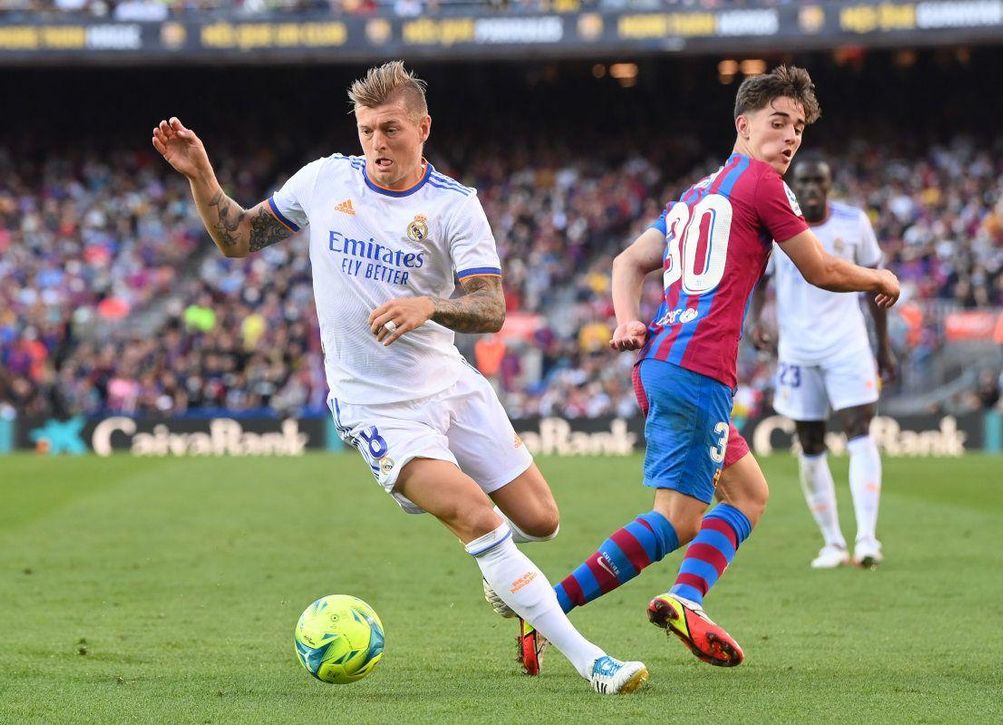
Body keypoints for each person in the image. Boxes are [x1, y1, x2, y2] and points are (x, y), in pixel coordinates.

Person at [152, 60, 647, 695]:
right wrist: (201, 174)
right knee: (480, 519)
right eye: (367, 130)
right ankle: (594, 663)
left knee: (541, 521)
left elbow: (491, 308)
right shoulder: (325, 180)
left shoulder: (454, 206)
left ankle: (508, 581)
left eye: (390, 129)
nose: (377, 144)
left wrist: (429, 306)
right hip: (375, 407)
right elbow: (237, 237)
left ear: (423, 127)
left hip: (450, 384)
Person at [490, 66, 900, 673]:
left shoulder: (695, 194)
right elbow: (820, 269)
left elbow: (627, 261)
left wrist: (627, 319)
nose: (791, 137)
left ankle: (671, 599)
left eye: (799, 127)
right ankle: (560, 609)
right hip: (698, 366)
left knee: (749, 493)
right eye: (778, 122)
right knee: (679, 518)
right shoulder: (763, 184)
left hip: (666, 359)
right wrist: (878, 277)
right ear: (744, 124)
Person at [748, 157, 895, 569]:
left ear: (829, 185)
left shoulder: (854, 222)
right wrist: (757, 321)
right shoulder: (779, 225)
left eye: (819, 181)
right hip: (797, 351)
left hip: (848, 345)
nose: (812, 188)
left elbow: (875, 285)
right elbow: (760, 278)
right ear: (794, 186)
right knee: (810, 444)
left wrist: (883, 346)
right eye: (805, 181)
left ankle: (867, 539)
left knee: (860, 433)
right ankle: (832, 542)